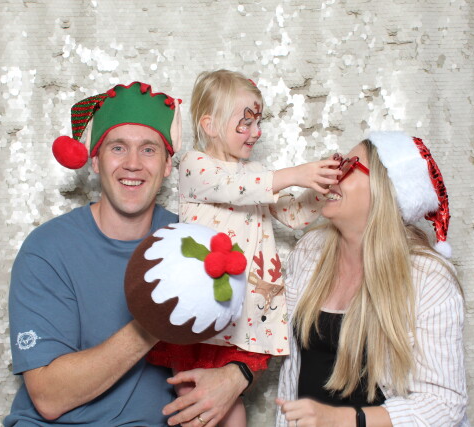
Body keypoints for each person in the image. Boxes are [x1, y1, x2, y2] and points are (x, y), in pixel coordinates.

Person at [5, 81, 249, 426]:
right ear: (95, 160)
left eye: (148, 150)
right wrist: (158, 314)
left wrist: (238, 375)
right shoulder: (47, 249)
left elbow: (254, 329)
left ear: (168, 165)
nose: (133, 164)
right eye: (118, 148)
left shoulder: (195, 243)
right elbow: (48, 397)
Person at [146, 69, 342, 427]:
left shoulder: (258, 173)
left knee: (230, 407)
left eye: (258, 122)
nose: (256, 132)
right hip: (201, 304)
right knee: (195, 401)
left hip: (241, 313)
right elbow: (234, 186)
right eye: (245, 122)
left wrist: (322, 189)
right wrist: (294, 174)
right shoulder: (195, 166)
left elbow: (294, 215)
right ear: (210, 125)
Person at [276, 131, 468, 426]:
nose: (331, 173)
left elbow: (444, 405)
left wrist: (341, 420)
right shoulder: (310, 251)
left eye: (347, 165)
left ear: (385, 189)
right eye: (336, 161)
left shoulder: (429, 277)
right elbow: (273, 341)